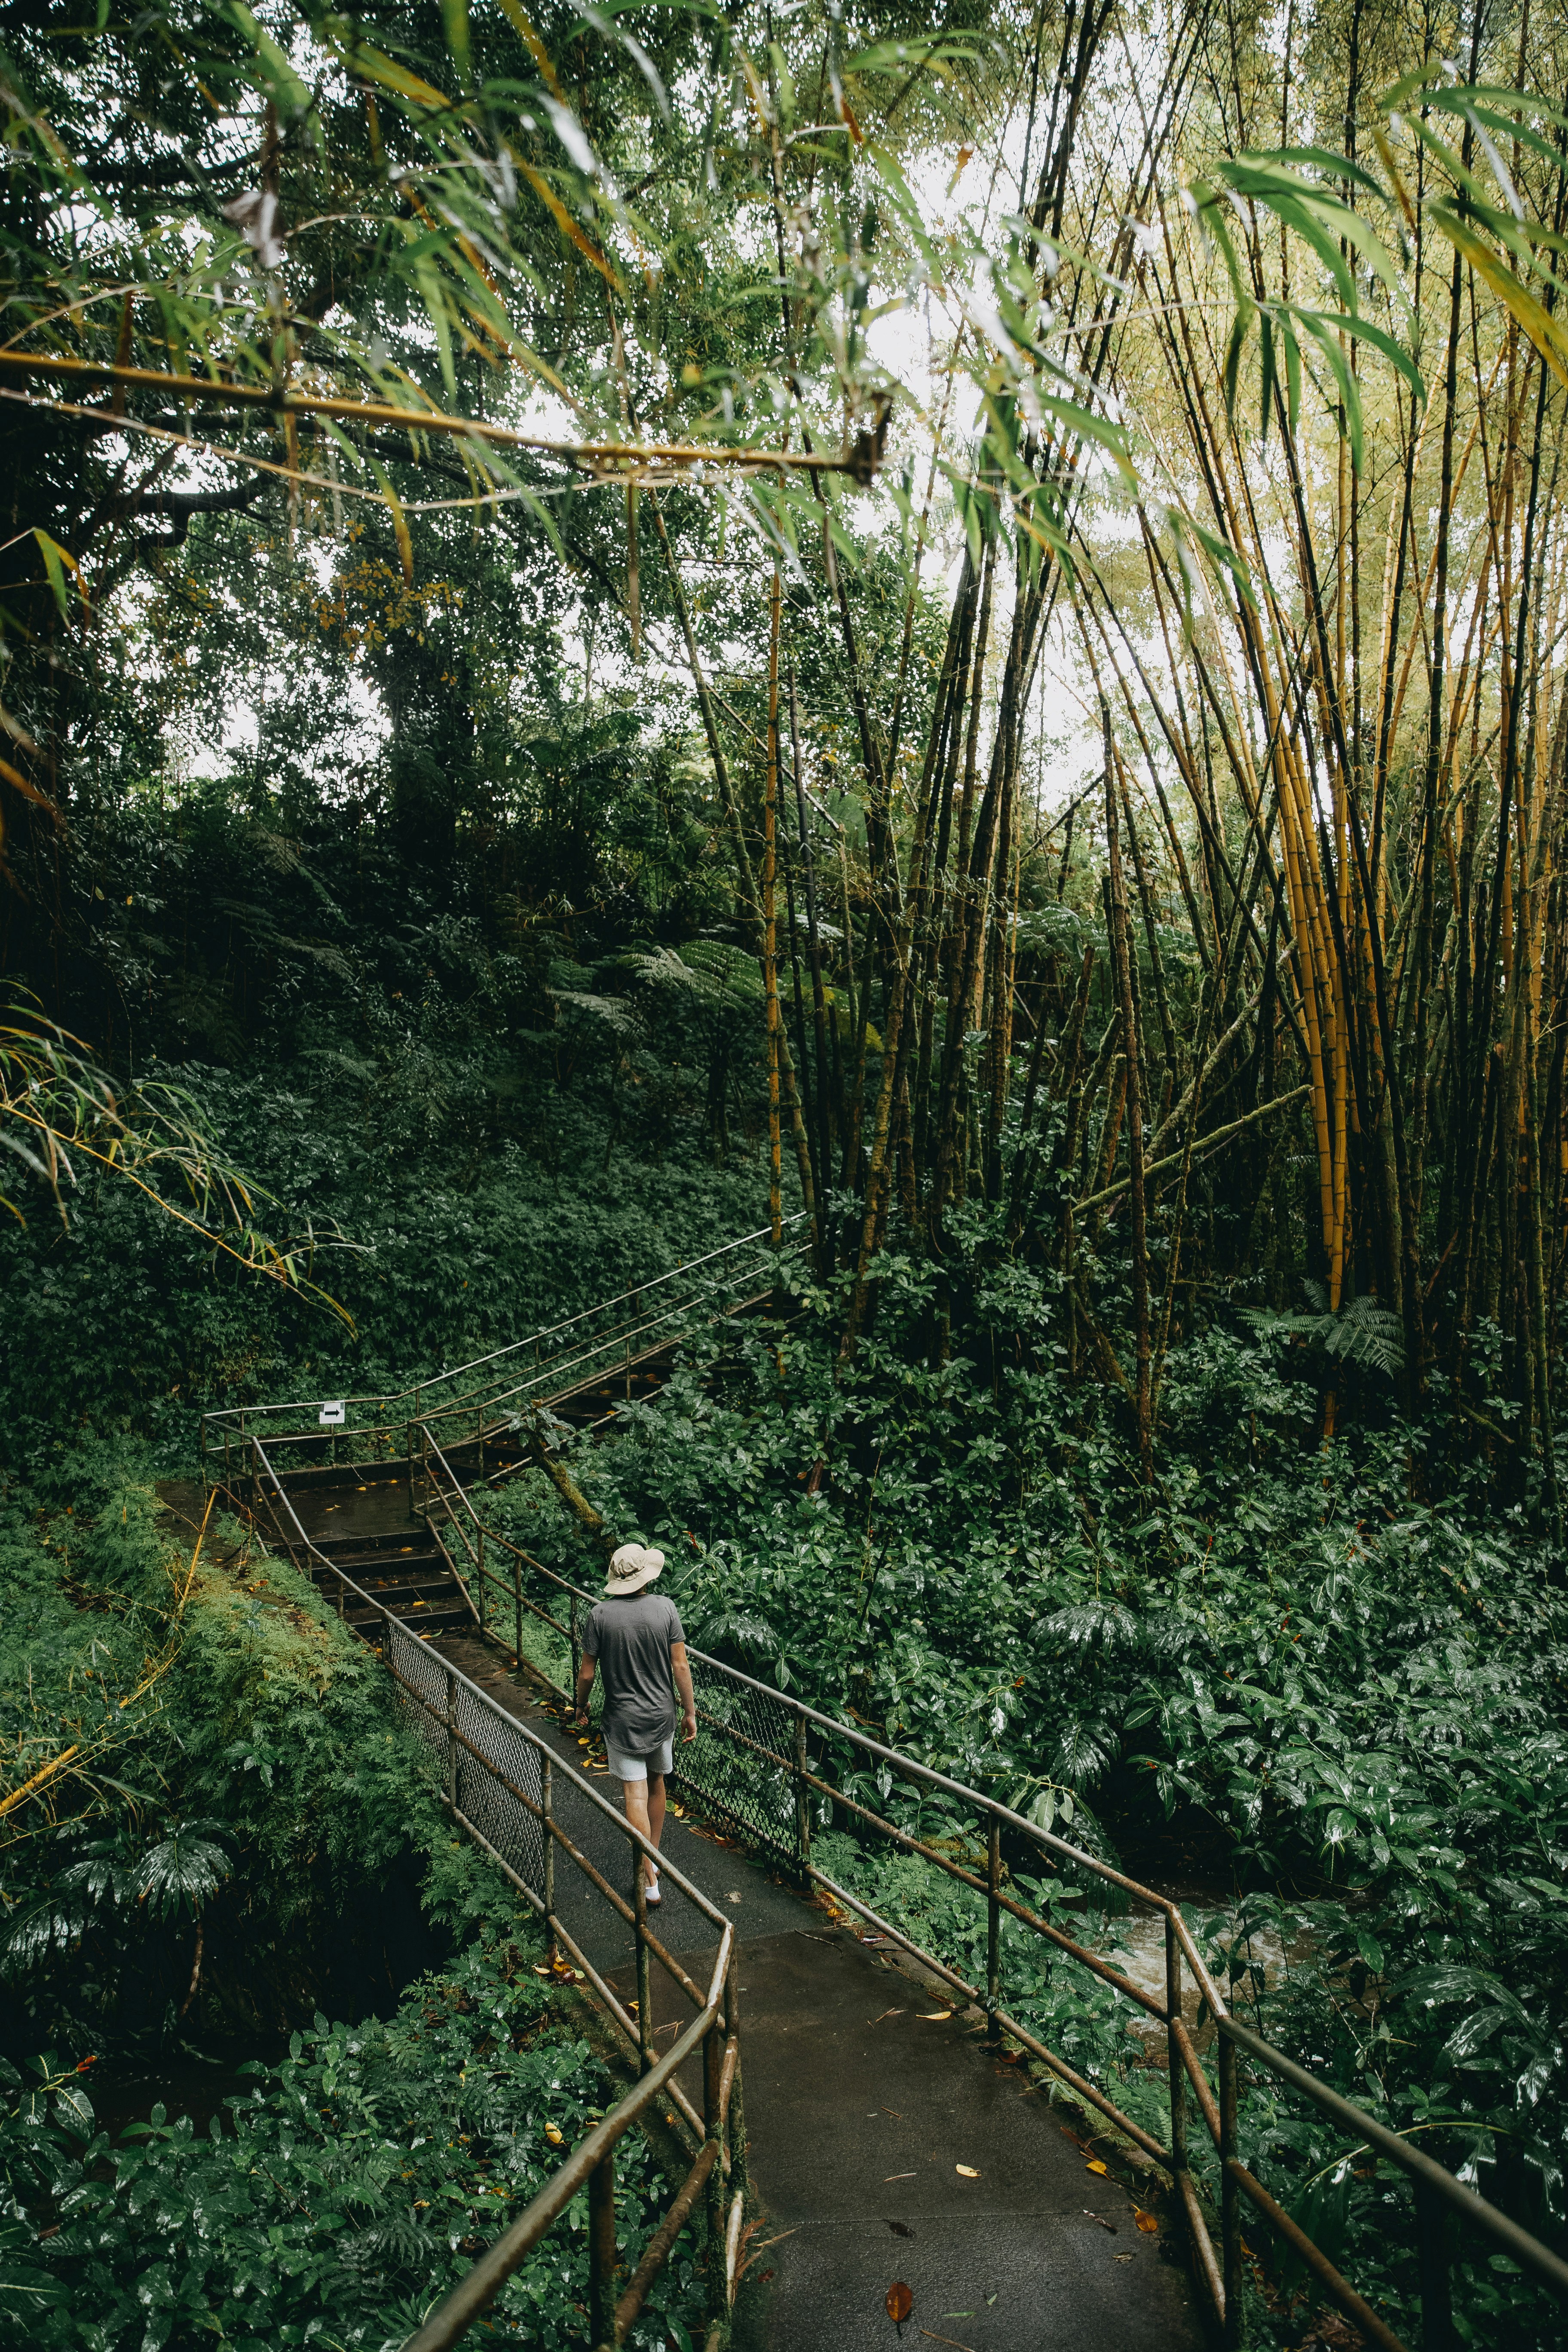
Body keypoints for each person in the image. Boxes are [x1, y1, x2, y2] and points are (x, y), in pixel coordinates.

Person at [575, 1541, 696, 1908]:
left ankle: (647, 1875)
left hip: (622, 1720)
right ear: (646, 1576)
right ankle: (654, 1863)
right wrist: (689, 1712)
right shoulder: (665, 1609)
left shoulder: (600, 1615)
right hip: (661, 1715)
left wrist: (580, 1705)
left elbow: (587, 1672)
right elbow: (681, 1666)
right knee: (658, 1783)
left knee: (635, 1795)